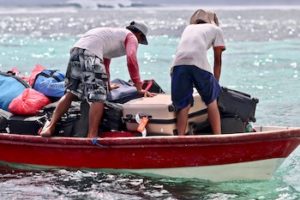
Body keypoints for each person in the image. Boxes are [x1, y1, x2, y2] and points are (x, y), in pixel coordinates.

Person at [40, 21, 155, 138]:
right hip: (91, 53)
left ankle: (50, 127)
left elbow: (105, 64)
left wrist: (107, 85)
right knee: (98, 97)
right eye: (140, 41)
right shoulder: (131, 37)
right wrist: (138, 87)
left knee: (71, 93)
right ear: (139, 35)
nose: (138, 44)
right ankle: (92, 135)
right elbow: (131, 60)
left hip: (76, 50)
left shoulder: (112, 35)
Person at [171, 9, 226, 135]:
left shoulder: (188, 28)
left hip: (178, 65)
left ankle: (180, 139)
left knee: (183, 105)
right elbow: (218, 60)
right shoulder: (216, 30)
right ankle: (218, 137)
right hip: (198, 63)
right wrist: (215, 83)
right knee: (211, 101)